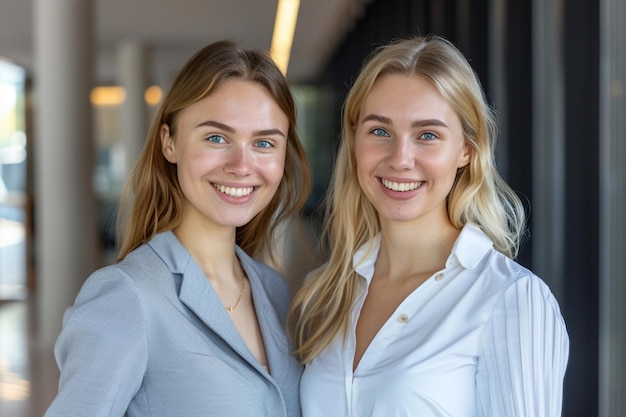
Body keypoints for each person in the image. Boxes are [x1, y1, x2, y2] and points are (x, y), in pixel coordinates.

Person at [288, 35, 569, 417]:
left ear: (466, 150)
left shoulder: (510, 300)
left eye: (428, 135)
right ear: (354, 141)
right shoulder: (325, 292)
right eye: (380, 131)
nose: (400, 158)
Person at [44, 40, 311, 417]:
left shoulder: (273, 291)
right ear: (170, 143)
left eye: (264, 143)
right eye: (217, 138)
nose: (241, 165)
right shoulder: (127, 296)